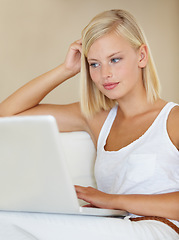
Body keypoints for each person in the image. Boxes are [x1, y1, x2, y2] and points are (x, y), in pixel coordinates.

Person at [0, 9, 178, 239]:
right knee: (6, 219)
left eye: (115, 59)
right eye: (94, 64)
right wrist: (66, 70)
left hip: (159, 229)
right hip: (116, 225)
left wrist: (111, 200)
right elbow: (7, 114)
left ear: (141, 56)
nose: (105, 74)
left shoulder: (173, 120)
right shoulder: (96, 118)